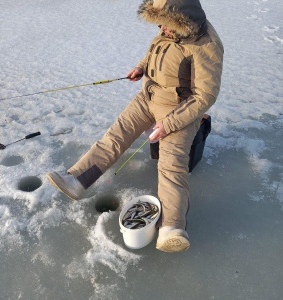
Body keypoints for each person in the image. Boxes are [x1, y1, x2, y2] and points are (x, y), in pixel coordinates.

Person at [47, 0, 224, 253]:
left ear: (181, 19)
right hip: (148, 97)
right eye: (159, 23)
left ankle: (172, 228)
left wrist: (169, 123)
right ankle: (76, 180)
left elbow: (205, 95)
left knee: (171, 165)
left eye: (165, 24)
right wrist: (142, 67)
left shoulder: (206, 43)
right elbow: (158, 50)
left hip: (179, 109)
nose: (161, 28)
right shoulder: (170, 27)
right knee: (115, 137)